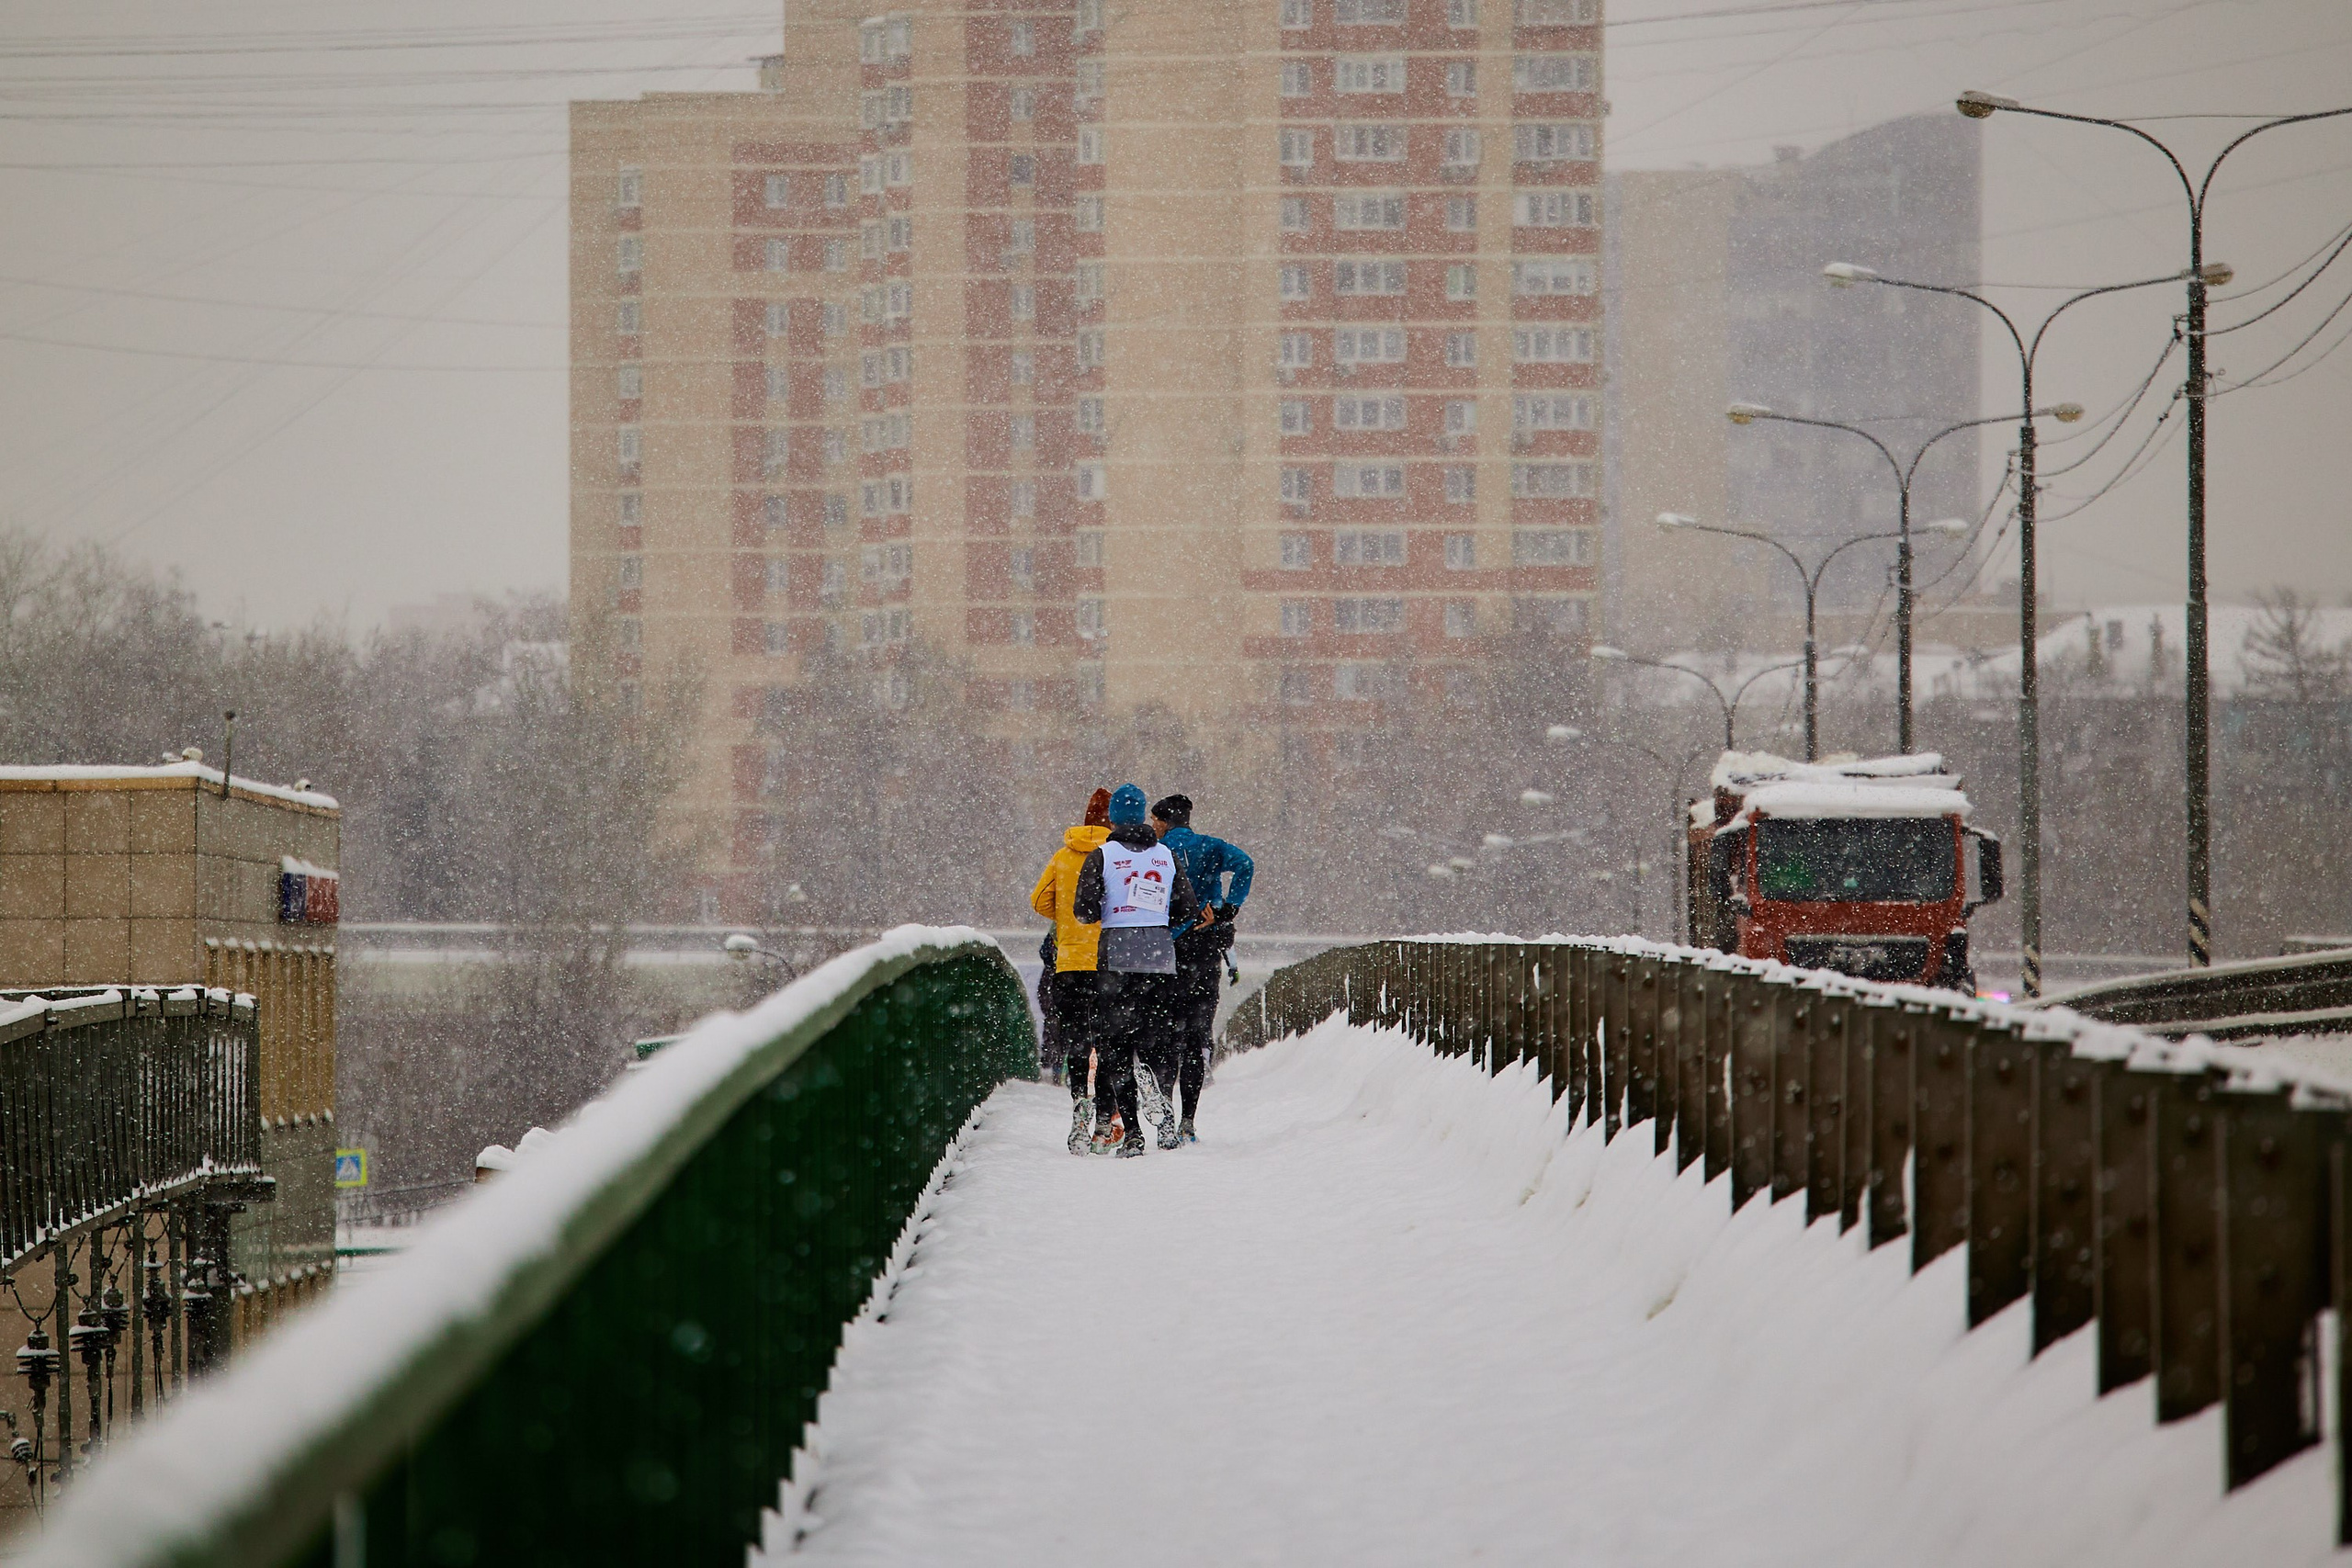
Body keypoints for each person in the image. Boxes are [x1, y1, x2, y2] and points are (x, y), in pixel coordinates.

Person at [1073, 784, 1199, 1156]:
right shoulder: (1166, 854)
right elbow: (1187, 908)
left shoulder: (1102, 855)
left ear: (1112, 819)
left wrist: (1111, 907)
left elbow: (1084, 912)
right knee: (1159, 1043)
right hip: (1160, 958)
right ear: (1143, 815)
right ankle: (1166, 1123)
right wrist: (1157, 922)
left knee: (1116, 1047)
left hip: (1116, 957)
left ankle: (1132, 1134)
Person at [1151, 794, 1254, 1145]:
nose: (1152, 826)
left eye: (1154, 820)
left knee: (1166, 1038)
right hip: (1205, 950)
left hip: (1166, 951)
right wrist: (1228, 909)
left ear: (1164, 821)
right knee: (1196, 1039)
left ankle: (1165, 1114)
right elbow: (1245, 864)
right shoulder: (1211, 847)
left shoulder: (1156, 851)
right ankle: (1188, 1122)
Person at [1030, 786, 1114, 1154]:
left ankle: (1079, 1103)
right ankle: (1104, 1120)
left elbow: (1038, 900)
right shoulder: (1118, 856)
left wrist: (1067, 917)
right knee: (1109, 1042)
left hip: (1069, 964)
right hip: (1109, 963)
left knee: (1077, 1040)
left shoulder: (1063, 856)